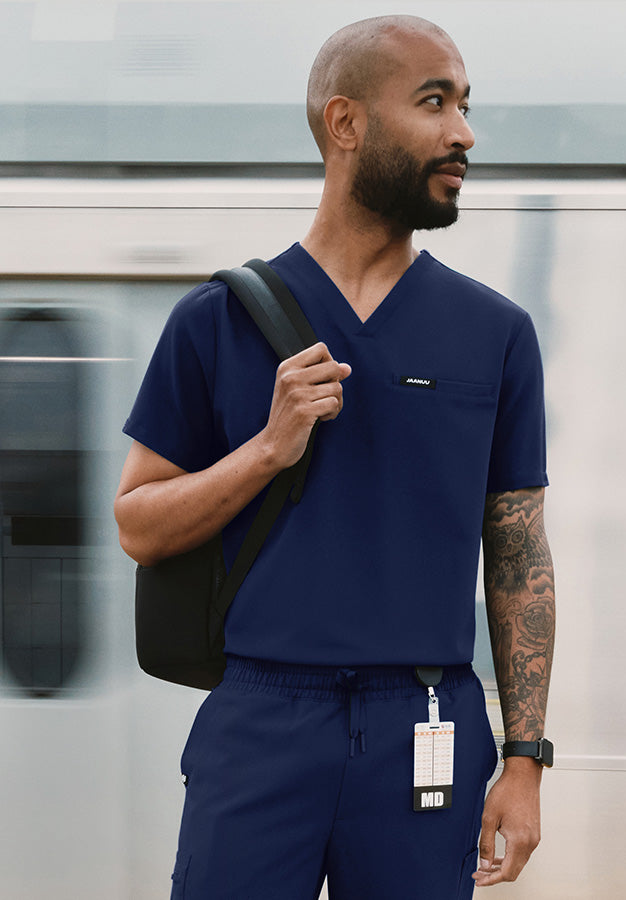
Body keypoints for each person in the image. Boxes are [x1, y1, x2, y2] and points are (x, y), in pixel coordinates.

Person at [114, 14, 555, 900]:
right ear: (345, 123)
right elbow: (138, 526)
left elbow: (518, 554)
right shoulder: (215, 322)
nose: (463, 132)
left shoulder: (496, 334)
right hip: (261, 720)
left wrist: (524, 760)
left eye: (466, 106)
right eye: (435, 102)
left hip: (426, 726)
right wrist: (268, 449)